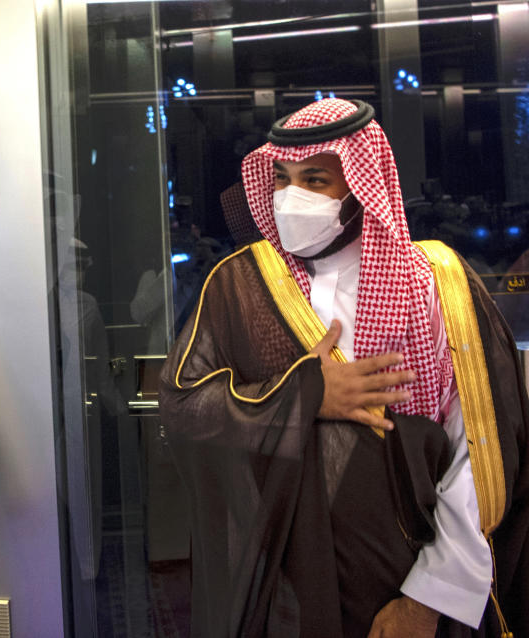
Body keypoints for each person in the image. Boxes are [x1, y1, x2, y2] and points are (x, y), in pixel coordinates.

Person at [159, 98, 529, 637]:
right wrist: (304, 396)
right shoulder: (238, 283)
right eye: (282, 179)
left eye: (315, 180)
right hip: (284, 587)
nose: (291, 198)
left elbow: (479, 451)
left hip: (408, 571)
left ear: (360, 185)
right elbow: (184, 405)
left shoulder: (432, 282)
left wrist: (429, 598)